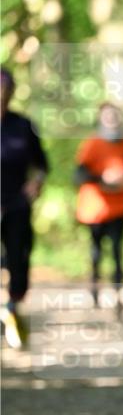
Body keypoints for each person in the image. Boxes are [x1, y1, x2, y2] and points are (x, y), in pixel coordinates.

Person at [73, 103, 123, 317]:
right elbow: (79, 176)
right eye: (107, 116)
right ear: (100, 118)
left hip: (119, 207)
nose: (111, 119)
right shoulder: (92, 144)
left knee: (118, 252)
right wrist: (103, 179)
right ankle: (94, 293)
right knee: (96, 252)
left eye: (114, 116)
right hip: (95, 209)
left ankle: (118, 296)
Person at [1, 66, 49, 349]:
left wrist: (36, 183)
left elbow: (41, 165)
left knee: (19, 261)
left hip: (16, 204)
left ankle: (13, 308)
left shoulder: (22, 125)